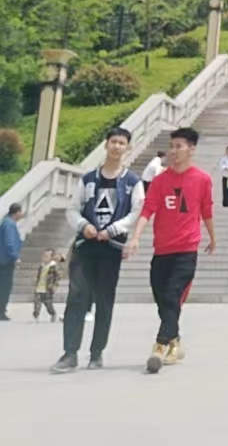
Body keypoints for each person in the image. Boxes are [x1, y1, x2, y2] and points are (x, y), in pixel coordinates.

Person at [52, 127, 145, 372]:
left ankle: (96, 352)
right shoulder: (88, 179)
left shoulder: (132, 182)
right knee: (77, 297)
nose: (117, 147)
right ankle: (70, 353)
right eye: (113, 142)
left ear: (128, 148)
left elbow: (137, 212)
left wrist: (113, 229)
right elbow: (72, 209)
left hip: (111, 248)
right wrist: (83, 226)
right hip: (86, 246)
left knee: (104, 300)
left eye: (122, 143)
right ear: (106, 145)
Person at [125, 127, 216, 373]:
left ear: (191, 149)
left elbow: (206, 210)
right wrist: (136, 237)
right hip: (162, 250)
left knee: (172, 295)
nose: (173, 151)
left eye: (179, 146)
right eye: (171, 146)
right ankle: (175, 341)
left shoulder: (202, 179)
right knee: (162, 299)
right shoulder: (160, 180)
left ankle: (159, 346)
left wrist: (212, 237)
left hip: (186, 249)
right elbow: (148, 210)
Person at [0, 202, 24, 320]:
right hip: (5, 261)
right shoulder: (9, 224)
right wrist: (15, 256)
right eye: (20, 211)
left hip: (4, 259)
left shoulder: (6, 222)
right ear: (17, 212)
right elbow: (9, 242)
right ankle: (1, 311)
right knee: (5, 286)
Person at [33, 248, 63, 323]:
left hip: (48, 289)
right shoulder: (41, 266)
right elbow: (39, 276)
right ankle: (36, 315)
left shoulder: (53, 266)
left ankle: (53, 313)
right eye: (43, 256)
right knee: (37, 302)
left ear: (51, 257)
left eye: (46, 256)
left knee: (48, 304)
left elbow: (58, 277)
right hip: (39, 288)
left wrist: (55, 286)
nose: (44, 258)